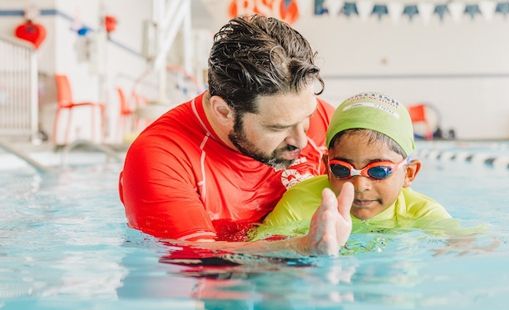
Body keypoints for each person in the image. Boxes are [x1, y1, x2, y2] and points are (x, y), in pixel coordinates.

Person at [119, 15, 352, 256]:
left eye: (306, 117)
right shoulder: (162, 158)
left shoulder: (321, 118)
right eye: (277, 128)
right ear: (223, 111)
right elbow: (195, 258)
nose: (302, 141)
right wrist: (301, 248)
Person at [250, 91, 451, 241]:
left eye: (378, 170)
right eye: (342, 169)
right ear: (327, 167)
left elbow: (465, 246)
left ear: (408, 173)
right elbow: (256, 253)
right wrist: (303, 247)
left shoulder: (423, 213)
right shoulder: (301, 201)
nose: (360, 185)